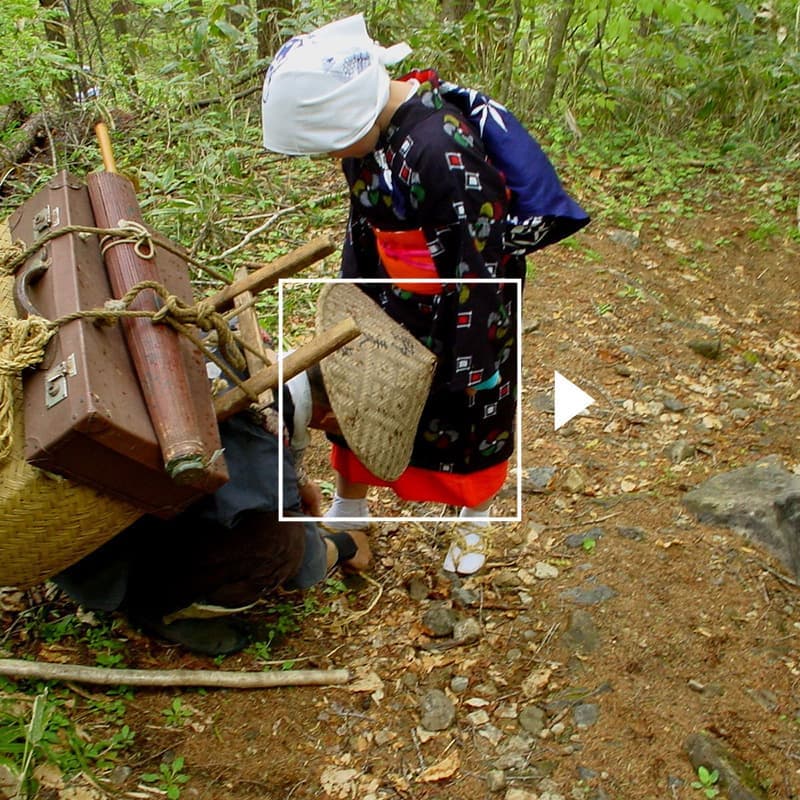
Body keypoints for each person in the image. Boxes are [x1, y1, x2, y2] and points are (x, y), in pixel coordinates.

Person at [261, 14, 589, 575]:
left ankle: (474, 520)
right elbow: (363, 227)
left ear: (355, 110)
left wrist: (470, 360)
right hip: (390, 295)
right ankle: (349, 504)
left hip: (463, 310)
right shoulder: (367, 141)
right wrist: (356, 304)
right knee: (360, 396)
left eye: (332, 145)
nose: (332, 158)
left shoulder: (441, 148)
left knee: (465, 417)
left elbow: (478, 262)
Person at [54, 399, 370, 656]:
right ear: (330, 418)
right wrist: (345, 545)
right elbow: (305, 565)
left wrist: (299, 482)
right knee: (284, 543)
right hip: (115, 568)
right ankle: (160, 610)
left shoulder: (245, 366)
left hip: (77, 544)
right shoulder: (265, 441)